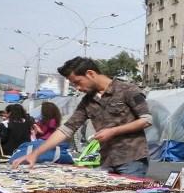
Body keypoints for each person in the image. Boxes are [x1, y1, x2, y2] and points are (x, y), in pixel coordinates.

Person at [13, 57, 153, 177]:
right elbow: (66, 129)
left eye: (77, 82)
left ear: (90, 74)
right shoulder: (87, 101)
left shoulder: (128, 90)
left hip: (132, 160)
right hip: (105, 160)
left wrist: (113, 131)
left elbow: (146, 119)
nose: (77, 88)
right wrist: (35, 153)